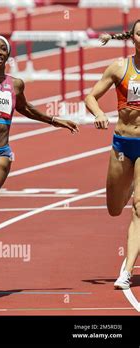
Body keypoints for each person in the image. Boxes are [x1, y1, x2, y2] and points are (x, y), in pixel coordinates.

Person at [0, 34, 79, 293]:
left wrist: (54, 120)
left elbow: (26, 109)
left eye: (3, 49)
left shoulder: (15, 85)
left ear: (8, 56)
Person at [85, 20, 140, 289]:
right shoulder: (120, 68)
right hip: (122, 142)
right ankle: (128, 186)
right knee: (114, 208)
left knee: (139, 208)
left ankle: (126, 271)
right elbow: (91, 96)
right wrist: (98, 114)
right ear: (133, 37)